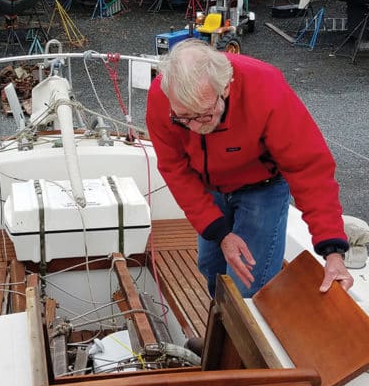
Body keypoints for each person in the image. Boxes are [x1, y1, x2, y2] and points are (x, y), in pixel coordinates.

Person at [147, 39, 354, 298]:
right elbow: (174, 167)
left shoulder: (266, 87)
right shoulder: (162, 96)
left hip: (261, 188)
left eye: (203, 116)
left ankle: (241, 334)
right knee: (211, 268)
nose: (194, 127)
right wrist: (220, 232)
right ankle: (220, 333)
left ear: (225, 88)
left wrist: (332, 251)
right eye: (182, 118)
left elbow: (309, 169)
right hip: (208, 186)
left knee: (249, 282)